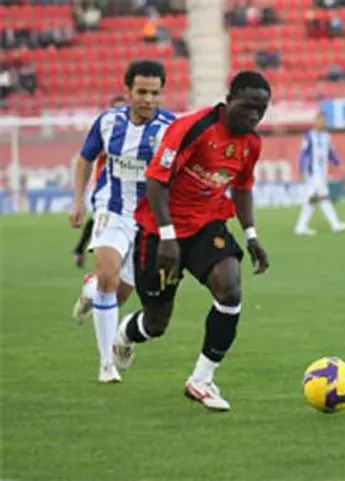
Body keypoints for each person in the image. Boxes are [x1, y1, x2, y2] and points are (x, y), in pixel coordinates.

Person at [111, 71, 272, 412]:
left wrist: (252, 234)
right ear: (230, 99)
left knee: (230, 290)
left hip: (206, 226)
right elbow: (157, 181)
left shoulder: (252, 143)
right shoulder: (193, 128)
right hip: (159, 232)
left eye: (262, 109)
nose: (255, 116)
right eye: (248, 107)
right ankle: (126, 333)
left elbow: (242, 188)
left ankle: (201, 379)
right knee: (156, 324)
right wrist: (168, 236)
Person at [69, 60, 176, 383]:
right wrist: (77, 202)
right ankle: (106, 365)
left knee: (118, 294)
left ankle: (91, 290)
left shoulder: (171, 129)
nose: (147, 99)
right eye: (141, 92)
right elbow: (85, 158)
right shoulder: (107, 123)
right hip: (111, 209)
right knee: (108, 277)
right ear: (128, 91)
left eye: (154, 93)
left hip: (148, 219)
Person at [72, 95, 127, 269]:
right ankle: (82, 251)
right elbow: (87, 156)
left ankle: (81, 250)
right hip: (103, 185)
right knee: (99, 219)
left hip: (128, 187)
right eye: (115, 107)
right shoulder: (106, 127)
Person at [294, 112, 345, 235]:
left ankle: (301, 227)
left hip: (322, 172)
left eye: (324, 120)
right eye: (320, 120)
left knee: (312, 199)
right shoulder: (309, 136)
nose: (322, 123)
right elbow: (303, 154)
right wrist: (302, 170)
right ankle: (335, 224)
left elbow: (330, 152)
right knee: (323, 196)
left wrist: (339, 163)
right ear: (315, 121)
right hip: (313, 173)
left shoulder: (326, 136)